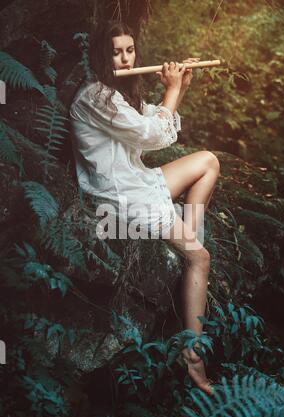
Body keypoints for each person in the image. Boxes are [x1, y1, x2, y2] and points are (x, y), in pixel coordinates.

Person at [69, 21, 220, 396]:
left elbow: (154, 121)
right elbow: (152, 135)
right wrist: (171, 91)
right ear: (102, 55)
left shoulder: (115, 94)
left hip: (140, 182)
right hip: (121, 197)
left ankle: (186, 229)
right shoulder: (94, 98)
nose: (125, 58)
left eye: (130, 50)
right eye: (116, 52)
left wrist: (179, 87)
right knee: (201, 258)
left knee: (208, 161)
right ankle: (192, 353)